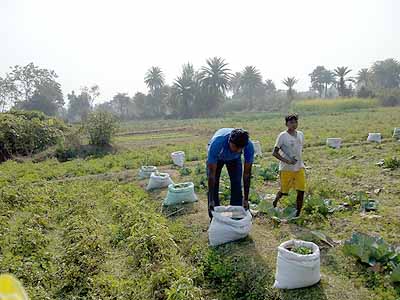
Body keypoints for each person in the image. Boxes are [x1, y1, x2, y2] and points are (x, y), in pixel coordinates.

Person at [207, 128, 254, 219]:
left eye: (240, 149)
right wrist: (211, 200)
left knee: (236, 183)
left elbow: (247, 174)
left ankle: (236, 215)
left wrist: (246, 199)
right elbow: (211, 175)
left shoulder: (248, 146)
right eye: (235, 147)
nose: (237, 150)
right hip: (218, 158)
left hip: (234, 160)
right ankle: (215, 216)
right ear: (229, 141)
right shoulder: (217, 144)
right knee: (215, 183)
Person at [272, 114, 305, 216]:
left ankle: (297, 213)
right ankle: (275, 202)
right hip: (286, 169)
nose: (294, 124)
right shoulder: (282, 136)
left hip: (299, 167)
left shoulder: (300, 134)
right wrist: (287, 161)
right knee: (284, 191)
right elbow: (274, 153)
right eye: (291, 122)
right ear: (286, 124)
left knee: (301, 191)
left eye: (295, 122)